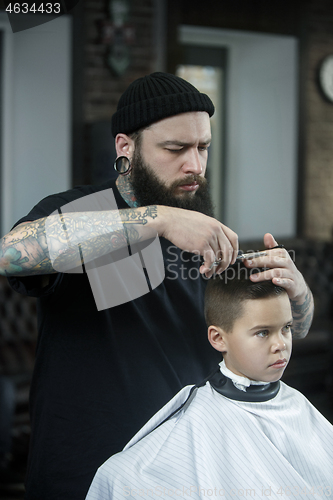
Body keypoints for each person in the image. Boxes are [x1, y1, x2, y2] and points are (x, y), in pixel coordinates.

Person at [0, 73, 314, 499]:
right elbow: (10, 254)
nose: (195, 166)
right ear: (125, 148)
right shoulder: (82, 213)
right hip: (86, 473)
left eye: (202, 147)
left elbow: (277, 332)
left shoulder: (207, 235)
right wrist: (159, 219)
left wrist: (299, 296)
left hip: (187, 472)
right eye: (175, 149)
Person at [85, 263, 333, 499]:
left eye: (286, 328)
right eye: (262, 332)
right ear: (218, 338)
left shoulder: (297, 404)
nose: (281, 344)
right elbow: (114, 480)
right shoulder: (201, 417)